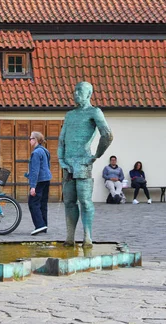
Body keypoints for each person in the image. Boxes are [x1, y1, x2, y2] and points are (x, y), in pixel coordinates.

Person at [58, 81, 113, 248]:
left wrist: (96, 155)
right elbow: (61, 140)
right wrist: (61, 159)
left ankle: (87, 236)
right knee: (69, 202)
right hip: (68, 164)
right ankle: (70, 237)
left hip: (83, 163)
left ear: (89, 94)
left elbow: (107, 135)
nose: (76, 94)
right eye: (74, 91)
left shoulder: (94, 112)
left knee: (85, 201)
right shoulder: (70, 115)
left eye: (80, 91)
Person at [27, 131, 52, 235]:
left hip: (39, 181)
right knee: (42, 203)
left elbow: (35, 170)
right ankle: (44, 225)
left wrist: (33, 186)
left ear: (35, 140)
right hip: (46, 179)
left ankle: (40, 225)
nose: (29, 140)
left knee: (33, 203)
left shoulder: (36, 153)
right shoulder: (45, 151)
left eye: (31, 138)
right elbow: (46, 166)